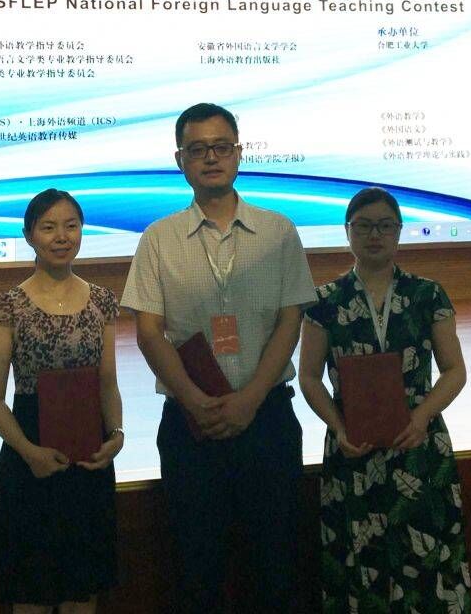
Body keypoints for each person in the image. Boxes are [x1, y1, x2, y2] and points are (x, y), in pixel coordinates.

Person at [121, 102, 317, 613]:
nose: (211, 157)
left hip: (267, 420)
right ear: (180, 160)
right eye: (197, 149)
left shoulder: (278, 231)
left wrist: (250, 398)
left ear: (238, 153)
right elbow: (149, 331)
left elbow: (290, 320)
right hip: (191, 425)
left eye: (221, 147)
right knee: (197, 572)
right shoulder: (158, 239)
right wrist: (193, 400)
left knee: (274, 569)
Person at [299, 187, 471, 614]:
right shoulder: (324, 301)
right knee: (360, 562)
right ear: (347, 232)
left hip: (418, 446)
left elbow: (455, 370)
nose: (374, 235)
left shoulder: (428, 295)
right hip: (352, 449)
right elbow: (309, 377)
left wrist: (422, 417)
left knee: (426, 561)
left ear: (399, 231)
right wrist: (338, 427)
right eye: (363, 226)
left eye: (385, 226)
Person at [0, 188, 123, 614]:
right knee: (32, 592)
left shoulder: (102, 300)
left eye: (71, 226)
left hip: (89, 457)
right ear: (29, 235)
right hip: (31, 456)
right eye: (48, 227)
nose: (62, 236)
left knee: (83, 592)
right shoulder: (7, 307)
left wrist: (116, 435)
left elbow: (108, 383)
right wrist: (30, 452)